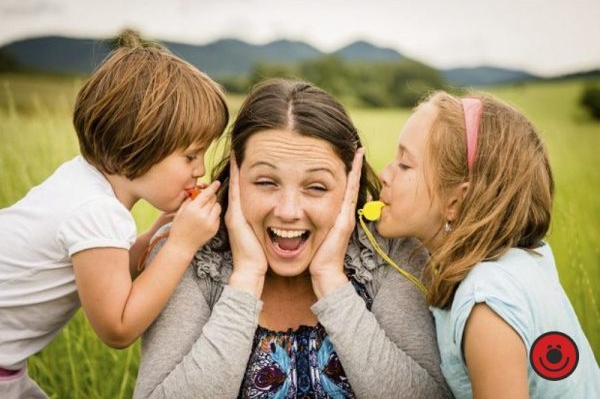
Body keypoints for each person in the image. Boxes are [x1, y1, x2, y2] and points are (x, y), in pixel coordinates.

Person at [134, 79, 452, 399]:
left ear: (349, 185)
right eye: (265, 182)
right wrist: (245, 279)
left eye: (316, 187)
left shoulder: (390, 252)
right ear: (236, 178)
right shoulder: (186, 254)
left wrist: (332, 282)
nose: (288, 211)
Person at [0, 32, 228, 398]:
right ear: (139, 143)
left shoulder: (81, 183)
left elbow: (114, 272)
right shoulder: (97, 211)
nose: (200, 170)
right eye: (190, 156)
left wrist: (161, 230)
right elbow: (118, 328)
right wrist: (181, 246)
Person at [376, 91, 600, 398]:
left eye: (404, 164)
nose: (383, 175)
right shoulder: (521, 263)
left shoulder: (486, 303)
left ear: (456, 200)